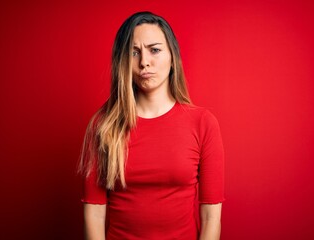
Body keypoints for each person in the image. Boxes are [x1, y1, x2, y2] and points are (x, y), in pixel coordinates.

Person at [79, 11, 225, 240]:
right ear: (123, 61)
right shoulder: (103, 125)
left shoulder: (203, 123)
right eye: (134, 52)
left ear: (172, 57)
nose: (144, 62)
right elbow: (95, 214)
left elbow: (211, 217)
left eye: (154, 50)